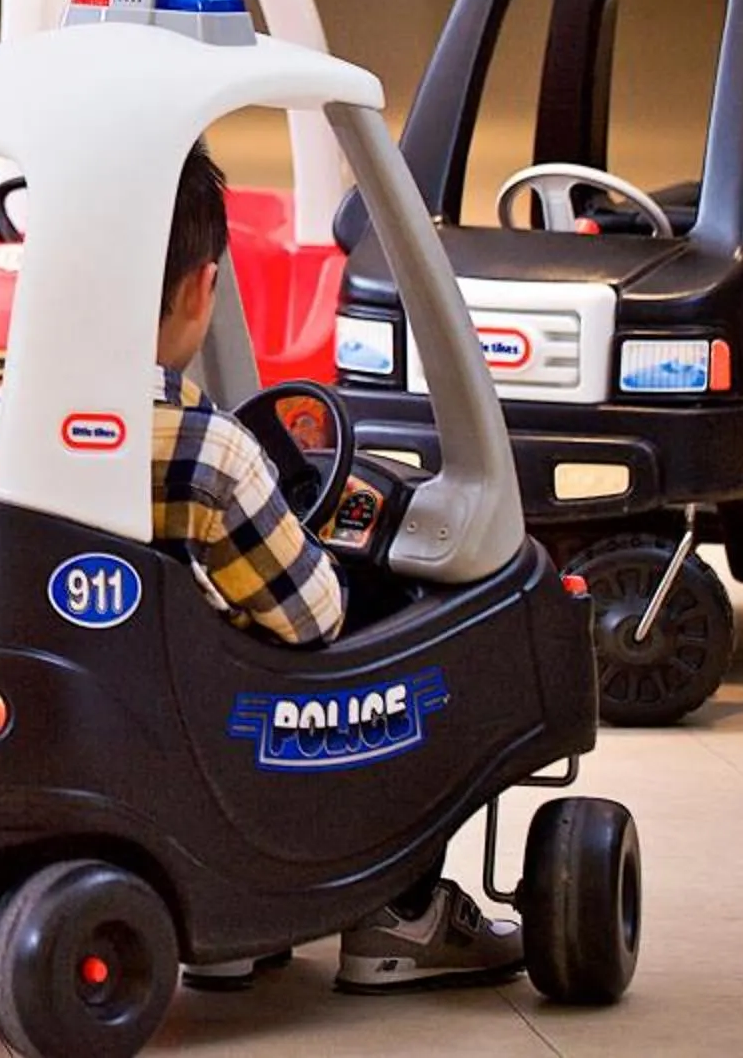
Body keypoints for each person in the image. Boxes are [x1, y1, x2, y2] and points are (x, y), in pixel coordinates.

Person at [153, 144, 525, 996]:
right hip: (233, 737)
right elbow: (313, 616)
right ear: (199, 290)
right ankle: (399, 911)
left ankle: (236, 937)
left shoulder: (16, 445)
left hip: (133, 722)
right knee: (402, 652)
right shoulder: (214, 457)